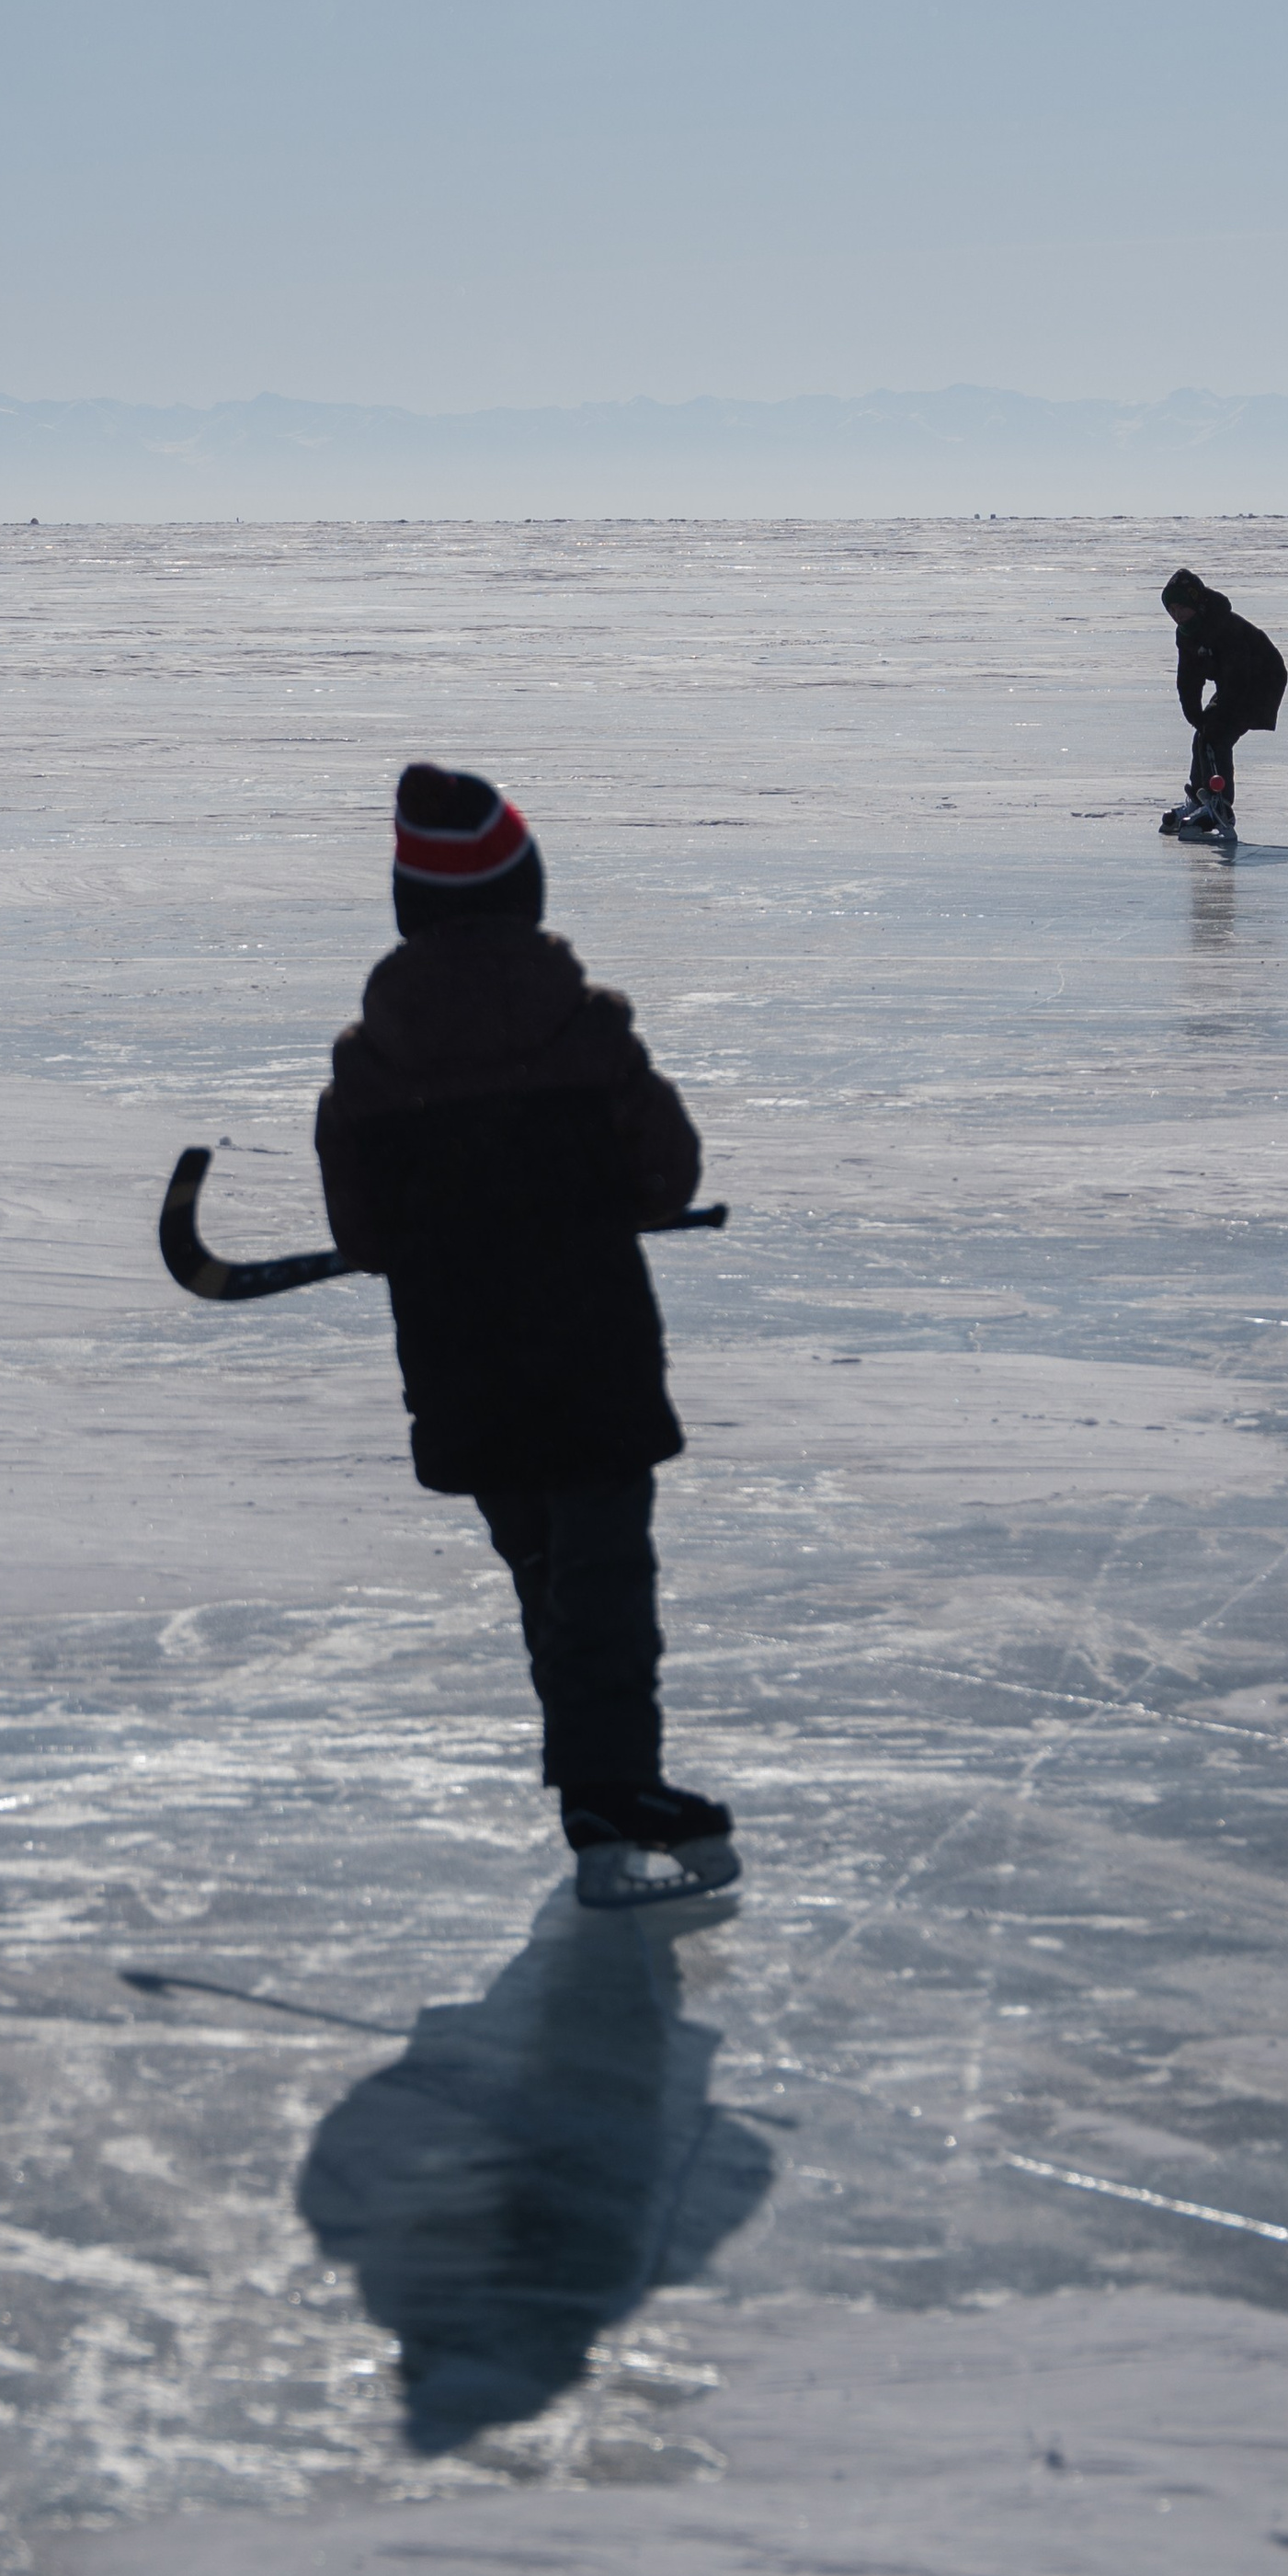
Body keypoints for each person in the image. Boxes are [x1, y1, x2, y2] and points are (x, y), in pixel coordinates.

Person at [314, 763, 737, 1909]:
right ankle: (610, 1795)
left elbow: (362, 1232)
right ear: (526, 894)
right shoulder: (584, 1031)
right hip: (588, 1351)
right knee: (604, 1576)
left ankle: (599, 1793)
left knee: (548, 1575)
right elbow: (667, 1175)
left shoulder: (366, 1065)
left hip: (464, 1366)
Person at [1159, 567, 1287, 837]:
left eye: (1181, 607)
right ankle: (1199, 799)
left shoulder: (1223, 626)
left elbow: (1238, 675)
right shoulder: (1186, 633)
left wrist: (1219, 716)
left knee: (1216, 737)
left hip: (1261, 679)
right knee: (1203, 735)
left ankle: (1220, 806)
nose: (1176, 615)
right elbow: (1188, 678)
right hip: (1235, 683)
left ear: (1195, 602)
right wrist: (1195, 714)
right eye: (1171, 609)